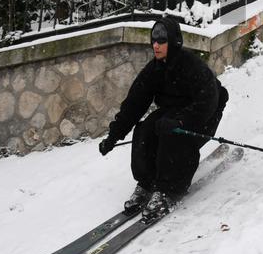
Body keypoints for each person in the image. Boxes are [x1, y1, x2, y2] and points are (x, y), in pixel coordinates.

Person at [98, 17, 228, 223]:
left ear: (174, 42)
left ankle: (169, 189)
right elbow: (134, 103)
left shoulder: (192, 66)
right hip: (175, 112)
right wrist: (113, 136)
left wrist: (182, 122)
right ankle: (147, 182)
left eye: (161, 41)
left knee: (172, 134)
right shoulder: (155, 69)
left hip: (204, 115)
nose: (156, 46)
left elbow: (208, 101)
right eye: (154, 41)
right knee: (146, 128)